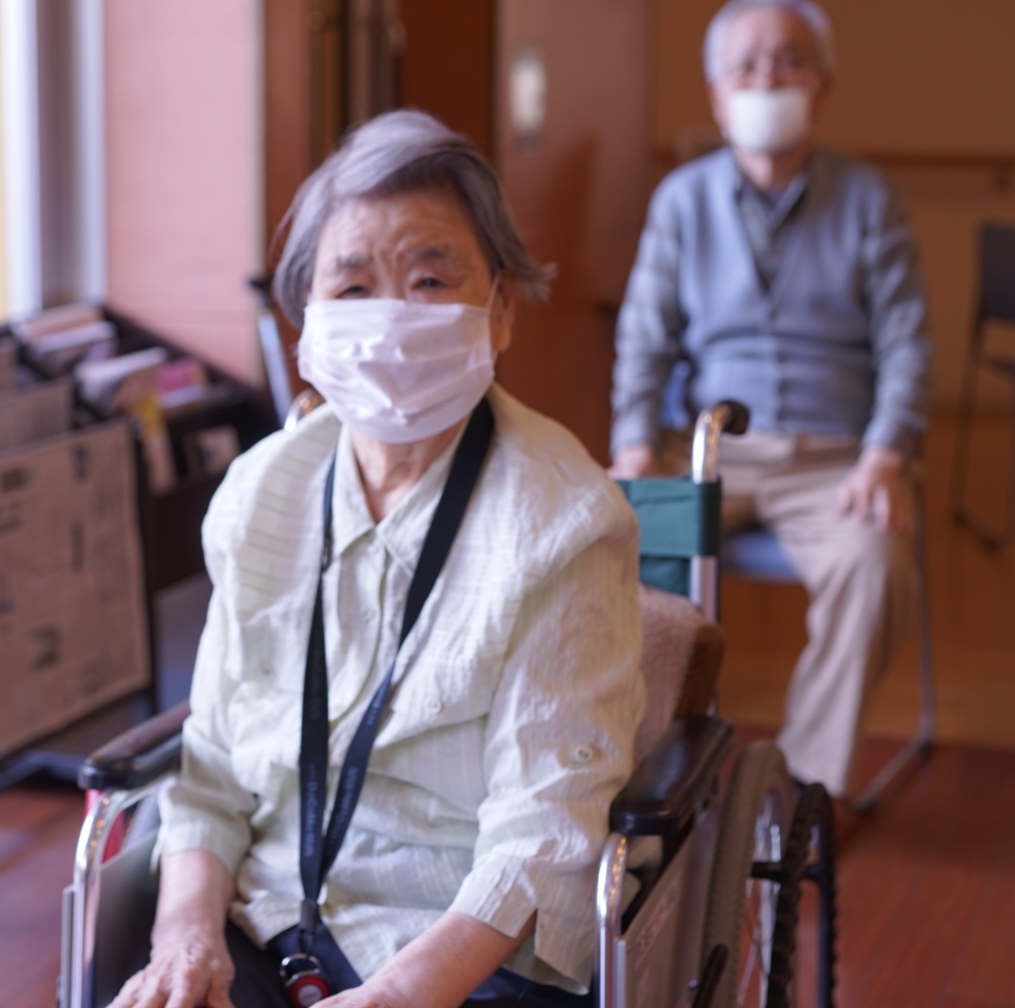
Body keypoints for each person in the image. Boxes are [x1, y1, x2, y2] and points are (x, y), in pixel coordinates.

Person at [114, 109, 644, 1008]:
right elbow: (211, 768)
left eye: (430, 279)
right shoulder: (260, 494)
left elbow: (540, 834)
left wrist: (395, 996)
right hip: (266, 920)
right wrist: (185, 939)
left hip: (462, 954)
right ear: (307, 322)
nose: (391, 318)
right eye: (353, 287)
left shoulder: (566, 521)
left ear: (501, 310)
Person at [610, 0, 930, 798]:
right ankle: (645, 776)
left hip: (836, 460)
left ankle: (796, 800)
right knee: (609, 552)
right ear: (717, 96)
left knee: (874, 566)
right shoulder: (682, 201)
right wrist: (635, 446)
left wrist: (885, 456)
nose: (766, 80)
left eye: (788, 63)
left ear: (821, 87)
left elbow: (906, 342)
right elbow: (645, 337)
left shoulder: (869, 199)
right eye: (746, 66)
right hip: (709, 454)